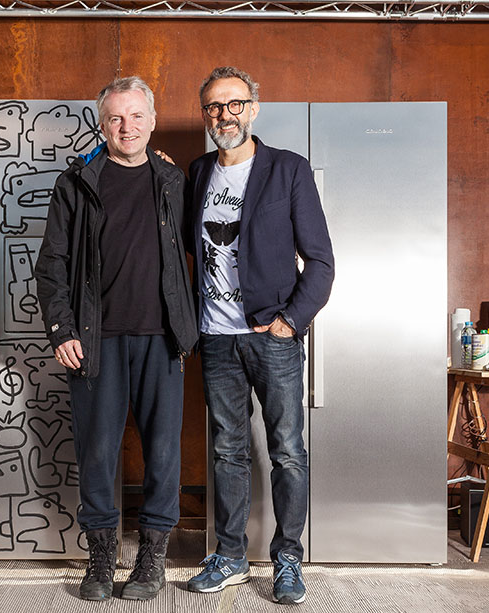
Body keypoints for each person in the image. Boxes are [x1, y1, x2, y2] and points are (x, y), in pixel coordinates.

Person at [34, 76, 198, 602]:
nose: (126, 127)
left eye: (135, 116)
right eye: (115, 118)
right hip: (95, 341)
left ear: (151, 119)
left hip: (162, 339)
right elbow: (51, 265)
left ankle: (152, 561)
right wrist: (62, 330)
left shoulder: (175, 182)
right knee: (98, 453)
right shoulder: (77, 182)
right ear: (101, 124)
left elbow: (213, 244)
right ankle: (101, 561)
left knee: (163, 454)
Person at [185, 66, 335, 605]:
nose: (223, 115)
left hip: (271, 336)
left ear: (253, 107)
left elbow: (320, 261)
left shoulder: (287, 170)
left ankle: (288, 559)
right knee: (227, 452)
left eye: (233, 104)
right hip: (215, 340)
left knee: (287, 452)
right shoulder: (197, 173)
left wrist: (289, 322)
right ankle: (228, 556)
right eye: (212, 107)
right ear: (205, 114)